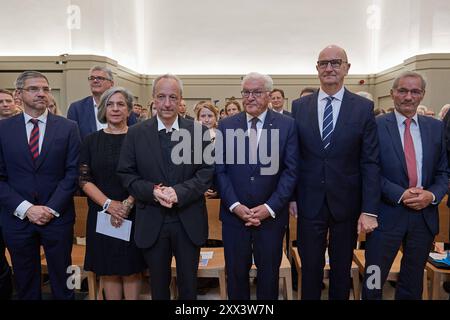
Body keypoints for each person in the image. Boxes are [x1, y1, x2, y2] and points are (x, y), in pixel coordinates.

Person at [290, 45, 380, 300]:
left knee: (342, 268)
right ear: (317, 69)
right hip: (309, 202)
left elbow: (370, 161)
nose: (329, 68)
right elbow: (294, 156)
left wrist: (369, 208)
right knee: (309, 268)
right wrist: (292, 197)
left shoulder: (363, 107)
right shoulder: (299, 106)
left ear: (347, 68)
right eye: (323, 63)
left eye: (335, 63)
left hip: (347, 203)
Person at [117, 74, 214, 300]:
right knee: (158, 288)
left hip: (188, 219)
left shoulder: (198, 131)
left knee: (189, 287)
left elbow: (207, 172)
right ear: (153, 99)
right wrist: (153, 191)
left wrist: (177, 192)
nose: (167, 103)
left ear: (181, 100)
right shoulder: (136, 133)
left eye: (173, 97)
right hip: (152, 219)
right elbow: (126, 174)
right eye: (161, 97)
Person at [362, 72, 448, 300]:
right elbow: (369, 170)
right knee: (373, 279)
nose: (408, 97)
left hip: (424, 217)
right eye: (402, 91)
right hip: (385, 215)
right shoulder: (375, 126)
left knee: (412, 283)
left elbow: (444, 172)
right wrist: (400, 194)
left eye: (415, 91)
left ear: (423, 95)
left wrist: (431, 195)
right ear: (392, 94)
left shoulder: (436, 128)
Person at [216, 72, 299, 299]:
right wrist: (234, 205)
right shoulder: (226, 125)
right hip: (235, 218)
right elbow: (220, 170)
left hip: (271, 218)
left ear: (269, 95)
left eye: (257, 92)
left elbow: (291, 172)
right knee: (235, 275)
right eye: (246, 92)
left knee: (269, 276)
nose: (250, 97)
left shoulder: (287, 125)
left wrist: (270, 207)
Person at [0, 71, 81, 299]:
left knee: (64, 281)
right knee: (26, 283)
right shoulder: (3, 129)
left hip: (57, 217)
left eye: (45, 89)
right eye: (34, 89)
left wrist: (50, 208)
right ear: (18, 94)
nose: (41, 93)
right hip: (17, 218)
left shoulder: (68, 127)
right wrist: (27, 209)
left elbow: (72, 172)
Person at [79, 87, 146, 300]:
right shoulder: (90, 140)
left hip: (134, 212)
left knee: (131, 268)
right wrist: (109, 205)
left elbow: (147, 175)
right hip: (101, 213)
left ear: (129, 110)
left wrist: (126, 204)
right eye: (110, 104)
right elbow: (83, 178)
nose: (115, 109)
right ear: (103, 109)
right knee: (107, 268)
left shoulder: (140, 139)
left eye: (121, 104)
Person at [67, 66, 137, 140]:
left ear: (111, 83)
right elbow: (73, 140)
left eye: (100, 78)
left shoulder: (123, 106)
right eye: (92, 78)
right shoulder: (76, 108)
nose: (95, 81)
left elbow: (134, 133)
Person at [0, 89, 15, 299]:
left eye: (8, 100)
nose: (4, 104)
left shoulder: (16, 130)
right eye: (0, 101)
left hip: (14, 205)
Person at [195, 102, 219, 199]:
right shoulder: (191, 137)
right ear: (198, 118)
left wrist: (218, 188)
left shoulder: (222, 135)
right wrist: (201, 188)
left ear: (215, 117)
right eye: (203, 116)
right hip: (198, 187)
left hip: (217, 185)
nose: (206, 119)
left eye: (210, 116)